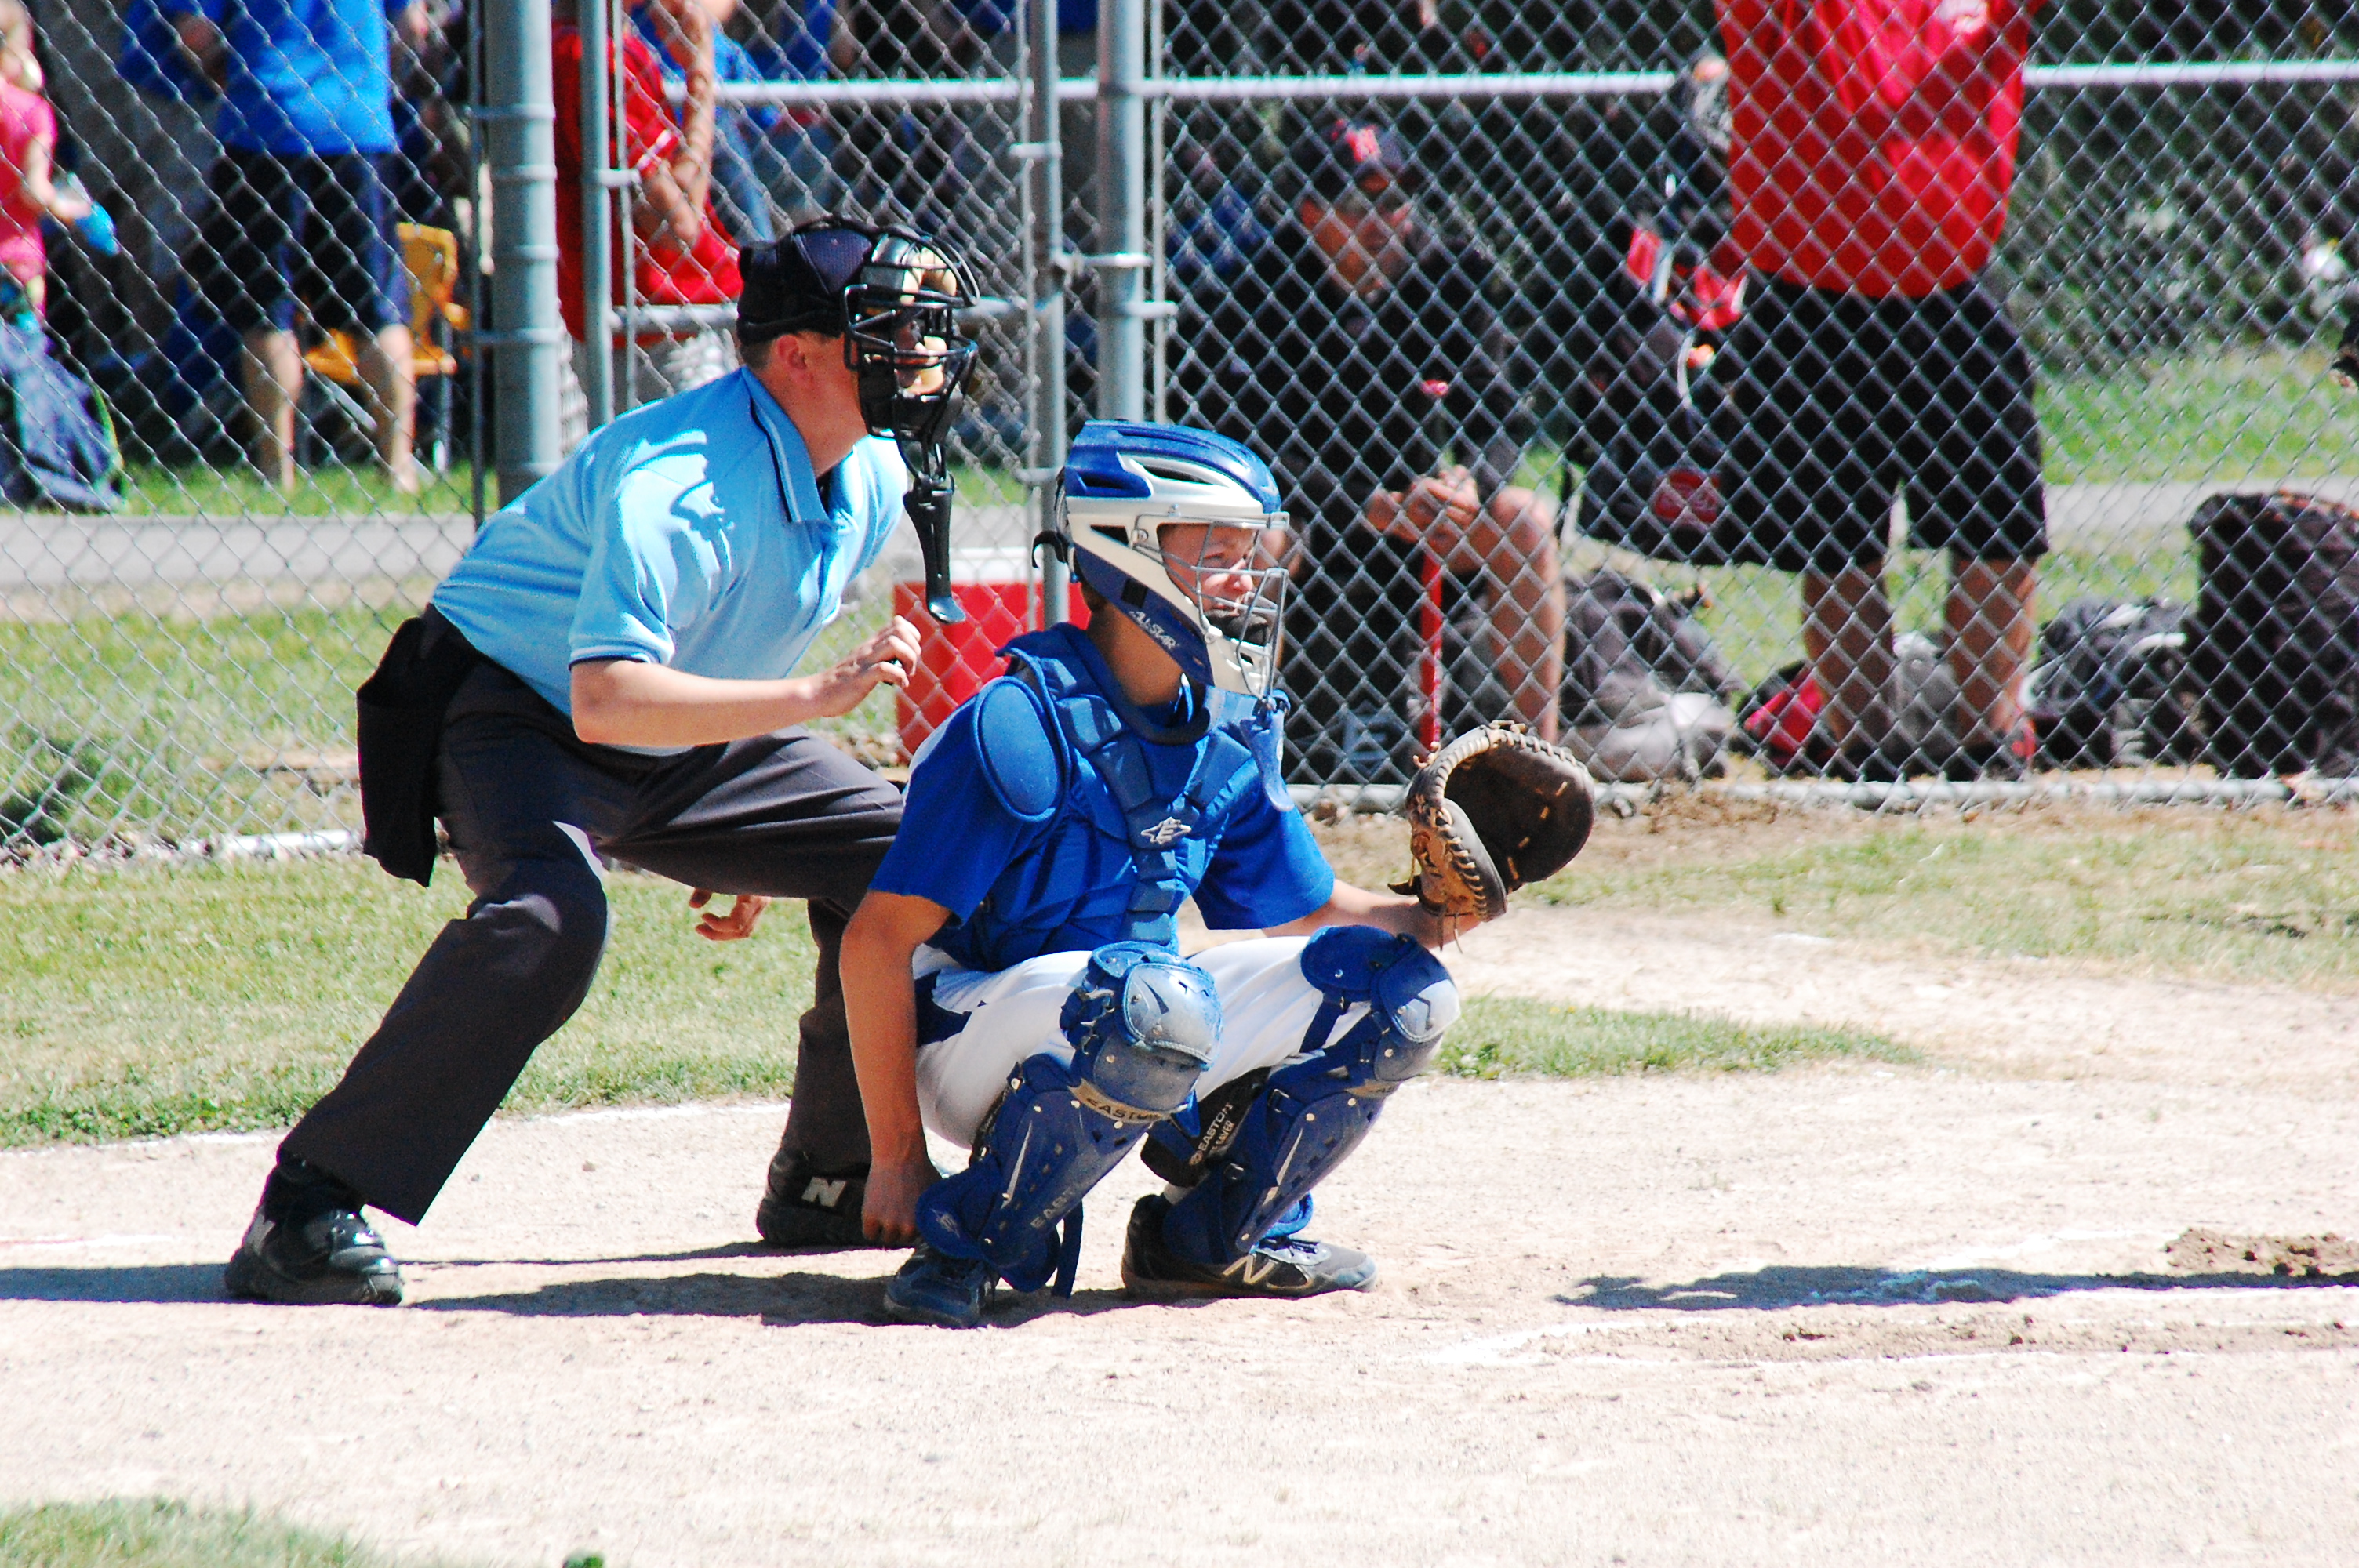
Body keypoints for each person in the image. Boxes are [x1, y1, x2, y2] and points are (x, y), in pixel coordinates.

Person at [223, 219, 978, 1305]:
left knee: (908, 853)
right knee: (549, 918)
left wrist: (759, 821)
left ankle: (830, 1174)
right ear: (799, 357)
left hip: (665, 726)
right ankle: (305, 1204)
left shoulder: (862, 472)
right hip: (514, 709)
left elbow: (732, 634)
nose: (921, 355)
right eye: (889, 332)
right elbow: (605, 694)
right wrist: (811, 704)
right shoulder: (684, 478)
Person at [841, 419, 1467, 1326]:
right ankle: (963, 1242)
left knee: (1400, 992)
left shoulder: (1224, 728)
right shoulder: (1019, 726)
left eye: (1248, 556)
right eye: (1215, 555)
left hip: (1137, 1009)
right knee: (1155, 999)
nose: (1244, 581)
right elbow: (873, 942)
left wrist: (1443, 911)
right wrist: (897, 1154)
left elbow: (1314, 910)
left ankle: (1208, 1239)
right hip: (966, 1032)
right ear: (1123, 555)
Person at [1176, 115, 1561, 785]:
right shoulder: (1259, 289)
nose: (1381, 222)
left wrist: (1471, 482)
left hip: (1429, 521)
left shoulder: (1451, 275)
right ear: (1310, 213)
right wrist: (1365, 503)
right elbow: (1242, 441)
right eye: (1356, 204)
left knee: (1525, 521)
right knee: (1256, 540)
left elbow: (1500, 414)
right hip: (1315, 520)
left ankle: (1545, 774)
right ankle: (1236, 775)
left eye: (1395, 200)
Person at [1717, 0, 2047, 779]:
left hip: (1952, 293)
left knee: (2000, 531)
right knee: (1836, 544)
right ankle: (1864, 757)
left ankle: (1985, 751)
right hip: (1810, 298)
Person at [171, 0, 427, 492]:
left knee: (268, 308)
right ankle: (398, 465)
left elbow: (195, 33)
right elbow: (411, 24)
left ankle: (277, 469)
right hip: (358, 119)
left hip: (266, 122)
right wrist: (374, 77)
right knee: (378, 307)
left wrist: (234, 79)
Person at [554, 0, 743, 443]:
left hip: (642, 315)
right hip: (661, 319)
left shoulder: (584, 46)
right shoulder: (596, 57)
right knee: (699, 463)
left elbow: (680, 196)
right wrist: (700, 72)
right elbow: (679, 225)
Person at [0, 0, 110, 321]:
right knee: (20, 344)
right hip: (13, 259)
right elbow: (33, 191)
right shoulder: (31, 112)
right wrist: (76, 211)